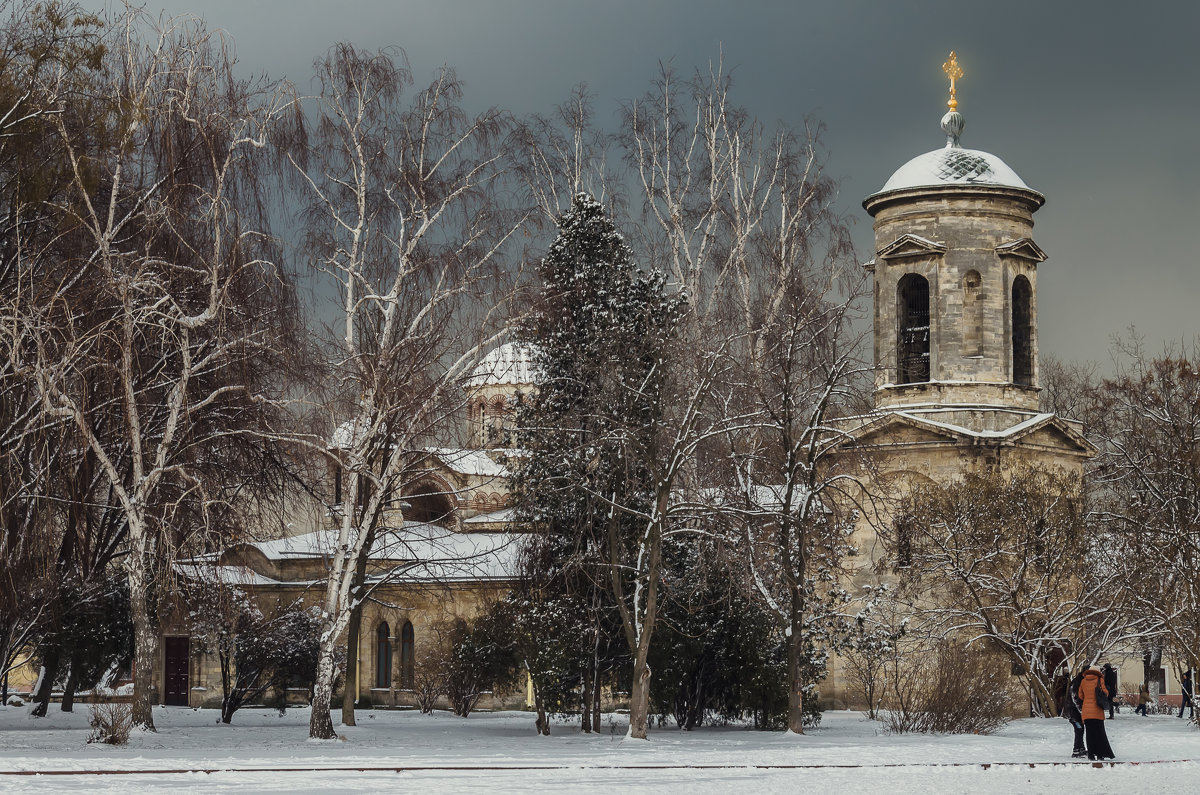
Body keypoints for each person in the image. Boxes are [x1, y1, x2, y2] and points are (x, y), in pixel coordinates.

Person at [1079, 665, 1115, 761]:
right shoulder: (1099, 680)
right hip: (1097, 711)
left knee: (1089, 734)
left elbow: (1080, 695)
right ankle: (1100, 754)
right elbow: (1105, 693)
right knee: (1099, 733)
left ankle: (1091, 754)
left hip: (1086, 712)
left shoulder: (1083, 681)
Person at [1056, 666, 1087, 758]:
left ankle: (1080, 748)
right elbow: (1075, 698)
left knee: (1080, 730)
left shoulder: (1079, 681)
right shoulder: (1077, 682)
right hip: (1073, 713)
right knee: (1079, 730)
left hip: (1074, 712)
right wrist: (1081, 710)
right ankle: (1076, 750)